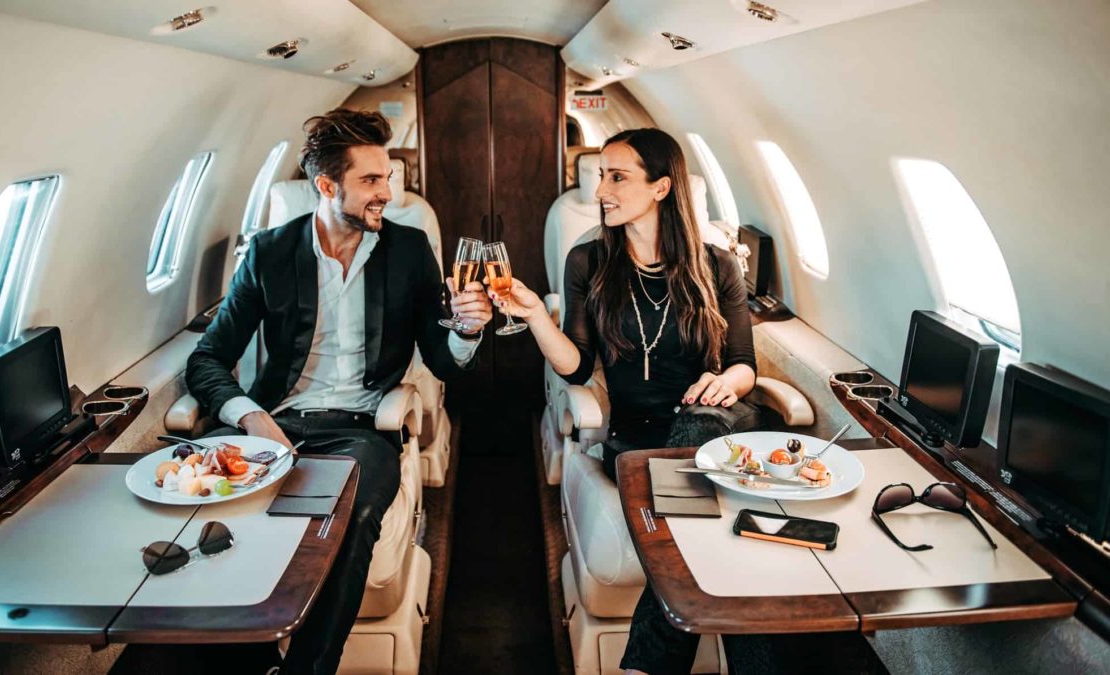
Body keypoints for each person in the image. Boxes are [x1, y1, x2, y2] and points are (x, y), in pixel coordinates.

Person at [186, 107, 493, 674]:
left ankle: (309, 667)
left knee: (349, 522)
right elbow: (206, 360)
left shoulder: (408, 250)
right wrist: (252, 418)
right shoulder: (270, 252)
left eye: (388, 178)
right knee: (235, 529)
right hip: (273, 423)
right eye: (371, 181)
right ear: (327, 186)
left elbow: (442, 363)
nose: (388, 193)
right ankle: (251, 657)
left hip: (360, 429)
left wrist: (467, 332)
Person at [490, 127, 757, 674]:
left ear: (661, 188)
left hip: (717, 431)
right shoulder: (587, 261)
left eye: (617, 177)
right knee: (723, 552)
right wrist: (538, 316)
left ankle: (643, 667)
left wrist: (728, 382)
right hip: (636, 444)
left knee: (700, 424)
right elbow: (578, 366)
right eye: (600, 176)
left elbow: (743, 362)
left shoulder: (717, 266)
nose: (600, 190)